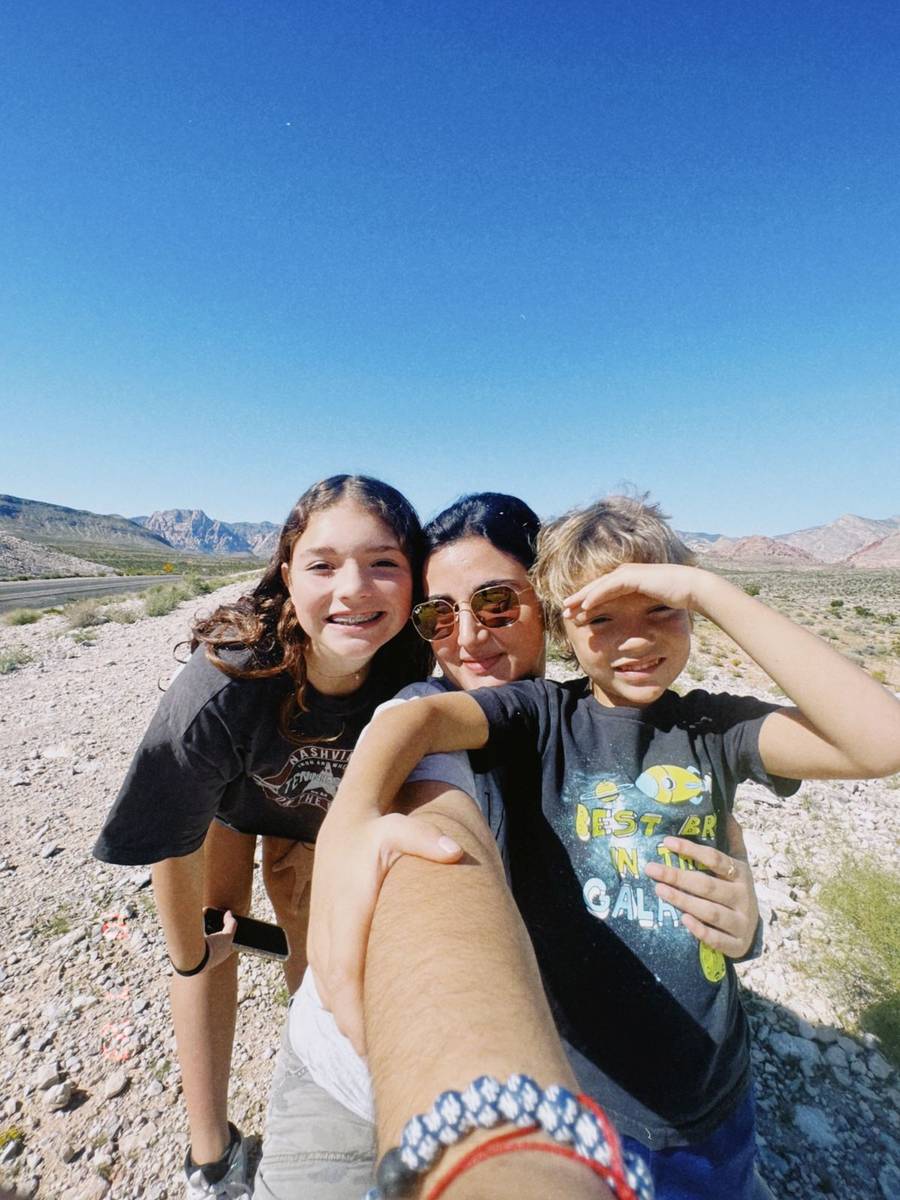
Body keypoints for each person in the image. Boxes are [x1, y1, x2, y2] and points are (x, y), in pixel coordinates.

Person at [311, 494, 900, 1200]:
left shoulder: (715, 729)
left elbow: (882, 739)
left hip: (716, 1098)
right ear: (564, 625)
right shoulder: (541, 717)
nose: (635, 640)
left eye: (660, 609)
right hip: (599, 1107)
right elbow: (417, 720)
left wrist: (708, 590)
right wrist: (351, 818)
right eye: (602, 618)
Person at [93, 474, 447, 1200]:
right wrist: (192, 955)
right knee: (210, 944)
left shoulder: (413, 666)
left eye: (384, 563)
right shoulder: (226, 683)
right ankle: (210, 1157)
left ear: (415, 578)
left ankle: (319, 1096)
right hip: (228, 806)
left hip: (321, 819)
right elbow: (172, 837)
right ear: (287, 575)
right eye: (323, 564)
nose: (354, 589)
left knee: (316, 962)